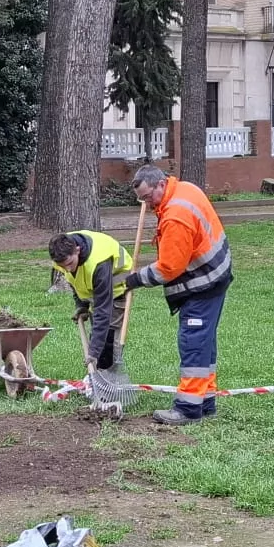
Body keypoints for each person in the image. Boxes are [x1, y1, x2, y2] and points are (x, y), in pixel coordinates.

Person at [121, 164, 232, 424]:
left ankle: (188, 409)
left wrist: (135, 279)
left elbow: (169, 268)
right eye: (142, 199)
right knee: (204, 342)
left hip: (202, 283)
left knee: (193, 341)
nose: (147, 205)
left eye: (148, 197)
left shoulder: (175, 215)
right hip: (217, 273)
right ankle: (206, 401)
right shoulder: (184, 189)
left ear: (161, 184)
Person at [48, 228, 133, 375]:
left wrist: (93, 352)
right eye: (63, 266)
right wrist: (81, 305)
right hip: (95, 291)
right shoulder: (61, 257)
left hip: (117, 288)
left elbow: (102, 310)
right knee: (99, 334)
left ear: (78, 250)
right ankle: (99, 376)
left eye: (70, 263)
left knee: (108, 337)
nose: (67, 269)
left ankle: (109, 379)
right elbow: (74, 281)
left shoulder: (98, 262)